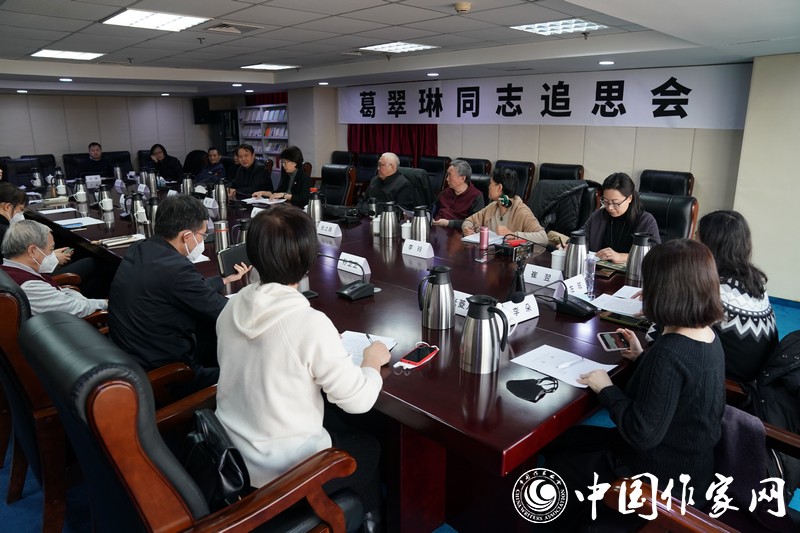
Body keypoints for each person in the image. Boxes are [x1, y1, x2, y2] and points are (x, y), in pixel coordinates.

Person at [215, 203, 390, 531]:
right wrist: (371, 361)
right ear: (309, 259)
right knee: (368, 447)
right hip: (283, 475)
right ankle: (363, 523)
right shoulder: (309, 323)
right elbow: (358, 401)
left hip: (234, 455)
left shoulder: (232, 306)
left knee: (334, 422)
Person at [544, 239, 725, 529]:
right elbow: (676, 392)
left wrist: (606, 388)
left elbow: (642, 433)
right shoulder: (708, 337)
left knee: (559, 468)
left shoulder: (669, 352)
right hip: (692, 468)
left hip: (657, 477)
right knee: (566, 440)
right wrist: (642, 358)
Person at [108, 194, 250, 396]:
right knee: (251, 374)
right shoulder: (176, 269)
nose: (202, 241)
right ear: (186, 236)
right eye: (202, 235)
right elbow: (227, 313)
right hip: (169, 376)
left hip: (135, 357)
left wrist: (223, 280)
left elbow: (185, 289)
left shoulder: (141, 248)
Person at [697, 210, 778, 382]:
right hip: (756, 378)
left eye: (697, 237)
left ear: (709, 247)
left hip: (730, 386)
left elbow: (660, 335)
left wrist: (660, 300)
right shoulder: (755, 282)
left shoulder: (714, 291)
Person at [1, 220, 107, 317]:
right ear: (32, 251)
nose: (53, 255)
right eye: (51, 250)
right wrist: (105, 303)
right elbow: (76, 309)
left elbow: (59, 294)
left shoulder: (7, 270)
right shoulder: (30, 285)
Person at [580, 172, 660, 264]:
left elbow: (655, 254)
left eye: (615, 203)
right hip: (598, 270)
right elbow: (582, 236)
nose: (610, 208)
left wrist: (621, 257)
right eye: (606, 201)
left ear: (629, 198)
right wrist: (572, 245)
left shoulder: (645, 220)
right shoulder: (598, 216)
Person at [461, 167, 548, 247]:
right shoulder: (493, 207)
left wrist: (512, 235)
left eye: (491, 183)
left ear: (499, 188)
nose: (489, 187)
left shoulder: (521, 211)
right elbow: (469, 221)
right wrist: (467, 228)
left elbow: (543, 238)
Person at [431, 159, 485, 229]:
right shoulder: (445, 192)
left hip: (457, 232)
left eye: (450, 175)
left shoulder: (476, 196)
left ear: (462, 178)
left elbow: (475, 223)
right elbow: (433, 208)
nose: (447, 179)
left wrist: (449, 223)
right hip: (435, 228)